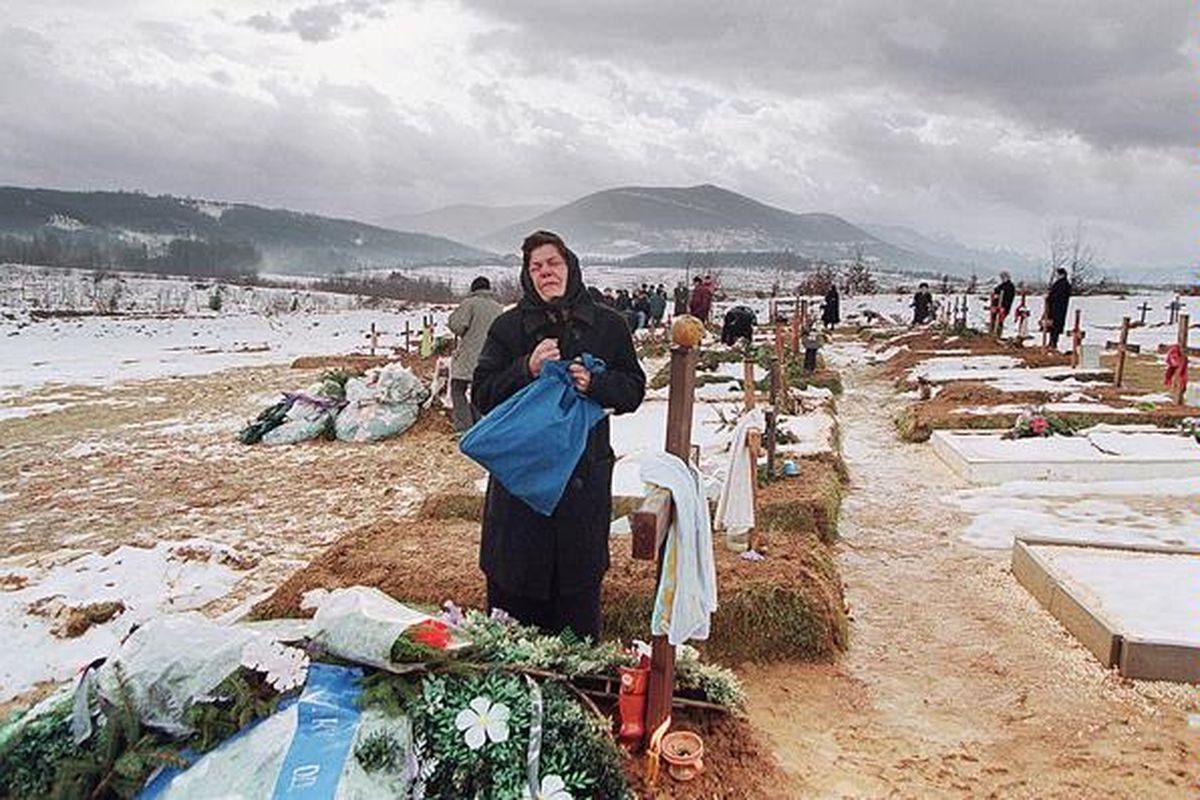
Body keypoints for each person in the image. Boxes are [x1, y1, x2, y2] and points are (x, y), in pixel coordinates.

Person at [472, 230, 646, 640]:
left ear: (570, 266)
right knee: (513, 614)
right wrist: (525, 369)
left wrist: (597, 385)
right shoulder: (507, 327)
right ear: (526, 275)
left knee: (577, 608)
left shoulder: (608, 324)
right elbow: (481, 394)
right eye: (535, 267)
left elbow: (634, 389)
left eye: (552, 263)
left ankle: (578, 694)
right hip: (520, 489)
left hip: (581, 486)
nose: (544, 272)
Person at [446, 276, 503, 432]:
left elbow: (458, 326)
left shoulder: (469, 303)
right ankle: (479, 425)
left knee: (457, 388)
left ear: (473, 289)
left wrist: (452, 318)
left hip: (469, 356)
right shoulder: (498, 307)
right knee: (479, 391)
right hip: (489, 357)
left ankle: (464, 427)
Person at [1044, 268, 1072, 349]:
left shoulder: (1064, 284)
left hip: (1058, 308)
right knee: (1052, 326)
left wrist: (1050, 297)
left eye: (1058, 274)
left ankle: (1053, 343)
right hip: (1054, 307)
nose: (1057, 276)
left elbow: (1058, 296)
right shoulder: (1059, 283)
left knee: (1055, 326)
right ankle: (1051, 342)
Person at [993, 271, 1016, 336]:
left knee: (1000, 321)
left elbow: (1008, 298)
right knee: (995, 320)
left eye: (1003, 277)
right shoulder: (1002, 285)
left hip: (1004, 307)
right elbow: (996, 290)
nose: (1002, 278)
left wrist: (1004, 307)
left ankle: (998, 334)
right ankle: (994, 334)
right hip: (998, 306)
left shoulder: (1010, 286)